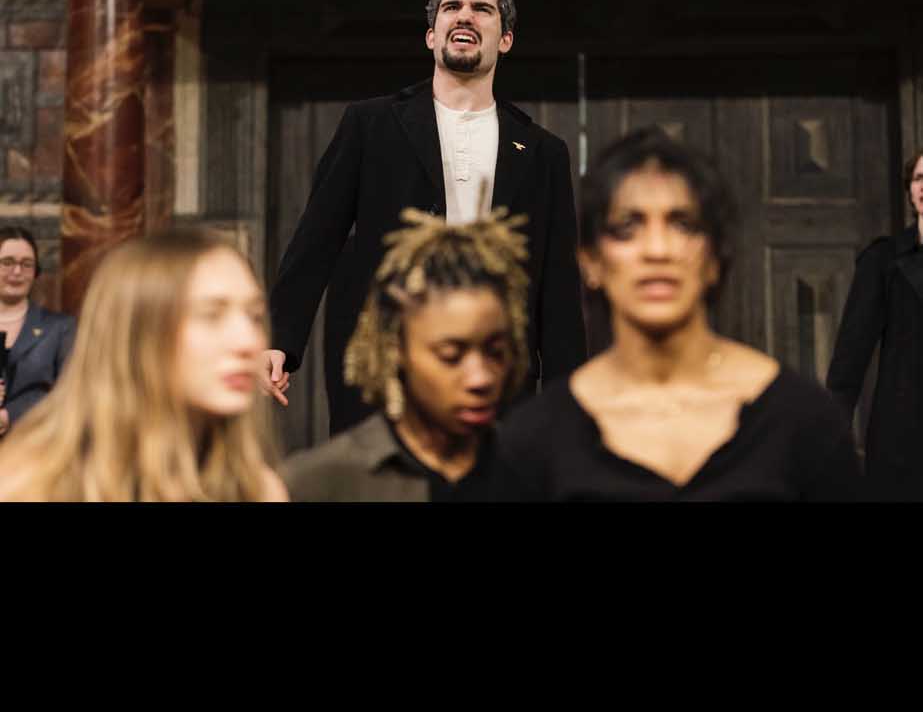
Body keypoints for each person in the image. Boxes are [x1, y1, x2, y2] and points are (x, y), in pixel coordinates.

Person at [265, 0, 586, 434]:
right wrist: (280, 339)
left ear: (505, 40)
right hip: (386, 368)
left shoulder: (542, 151)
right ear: (432, 36)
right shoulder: (370, 125)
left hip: (496, 373)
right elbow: (316, 239)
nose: (465, 16)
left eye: (482, 9)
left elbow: (558, 284)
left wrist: (566, 397)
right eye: (452, 7)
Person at [491, 127, 864, 504]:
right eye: (627, 228)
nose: (658, 250)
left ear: (715, 257)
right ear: (591, 261)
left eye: (683, 225)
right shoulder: (535, 438)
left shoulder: (804, 421)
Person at [0, 228, 288, 503]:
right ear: (139, 333)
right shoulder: (28, 484)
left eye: (254, 316)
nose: (248, 341)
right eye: (212, 315)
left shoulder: (258, 489)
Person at [280, 207, 530, 502]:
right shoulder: (318, 484)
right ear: (396, 351)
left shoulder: (538, 475)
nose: (481, 378)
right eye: (451, 356)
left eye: (496, 353)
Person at [826, 149, 923, 503]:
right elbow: (849, 359)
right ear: (910, 190)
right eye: (919, 178)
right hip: (903, 433)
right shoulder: (884, 260)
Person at [0, 228, 75, 441]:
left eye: (27, 264)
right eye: (7, 262)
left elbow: (70, 392)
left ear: (35, 272)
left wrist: (10, 416)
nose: (17, 272)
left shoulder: (60, 328)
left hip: (34, 444)